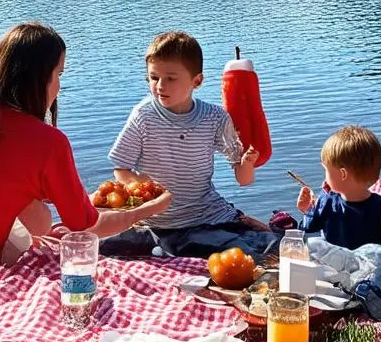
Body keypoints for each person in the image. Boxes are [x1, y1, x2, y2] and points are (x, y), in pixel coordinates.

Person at [0, 22, 171, 264]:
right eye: (59, 74)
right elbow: (87, 225)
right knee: (41, 219)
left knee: (38, 213)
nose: (59, 85)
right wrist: (143, 212)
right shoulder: (49, 142)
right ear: (38, 79)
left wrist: (81, 200)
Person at [106, 31, 268, 258]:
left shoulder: (215, 117)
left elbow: (244, 179)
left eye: (171, 78)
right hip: (156, 222)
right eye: (153, 78)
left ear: (197, 81)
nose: (160, 86)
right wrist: (138, 185)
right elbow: (121, 168)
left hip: (208, 217)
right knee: (99, 248)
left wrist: (248, 162)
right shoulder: (143, 116)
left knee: (256, 253)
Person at [295, 125, 381, 249]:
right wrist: (308, 210)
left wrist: (308, 211)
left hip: (334, 264)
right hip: (369, 265)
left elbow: (308, 229)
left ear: (343, 174)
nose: (325, 177)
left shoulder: (328, 201)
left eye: (327, 170)